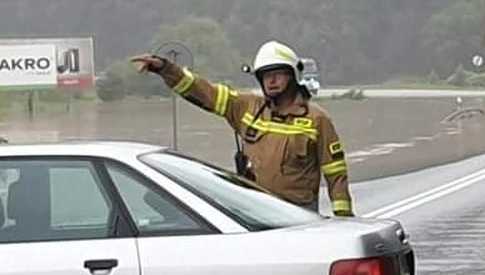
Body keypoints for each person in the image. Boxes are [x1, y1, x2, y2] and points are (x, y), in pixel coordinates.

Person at [131, 40, 354, 217]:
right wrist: (166, 69)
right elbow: (204, 91)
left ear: (293, 77)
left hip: (298, 217)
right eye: (266, 76)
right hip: (254, 214)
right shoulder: (247, 108)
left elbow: (336, 173)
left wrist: (343, 220)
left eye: (277, 75)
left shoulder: (317, 120)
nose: (271, 81)